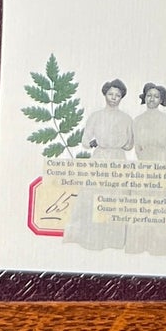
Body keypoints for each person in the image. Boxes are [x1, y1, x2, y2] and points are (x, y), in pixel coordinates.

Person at [67, 78, 133, 251]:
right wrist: (95, 143)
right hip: (100, 158)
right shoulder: (96, 116)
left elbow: (129, 144)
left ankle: (113, 239)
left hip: (118, 160)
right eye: (110, 94)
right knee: (94, 195)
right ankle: (93, 238)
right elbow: (85, 140)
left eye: (117, 95)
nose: (113, 98)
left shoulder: (126, 119)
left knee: (115, 196)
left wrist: (119, 145)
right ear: (105, 94)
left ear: (121, 97)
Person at [126, 83, 166, 255]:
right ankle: (141, 243)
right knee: (143, 203)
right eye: (149, 95)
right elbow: (137, 147)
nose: (152, 99)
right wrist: (144, 160)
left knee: (161, 203)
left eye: (156, 96)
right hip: (144, 164)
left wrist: (165, 163)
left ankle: (160, 245)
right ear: (144, 97)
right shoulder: (137, 120)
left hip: (162, 162)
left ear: (161, 100)